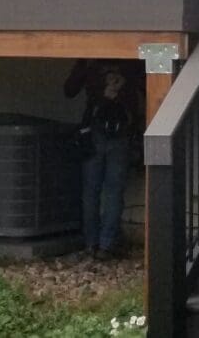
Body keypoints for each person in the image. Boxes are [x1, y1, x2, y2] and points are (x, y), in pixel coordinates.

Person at [65, 58, 140, 259]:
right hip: (121, 132)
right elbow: (143, 90)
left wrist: (81, 64)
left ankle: (91, 243)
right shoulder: (130, 63)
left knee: (91, 191)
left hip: (95, 130)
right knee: (114, 192)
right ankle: (107, 244)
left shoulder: (91, 65)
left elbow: (69, 90)